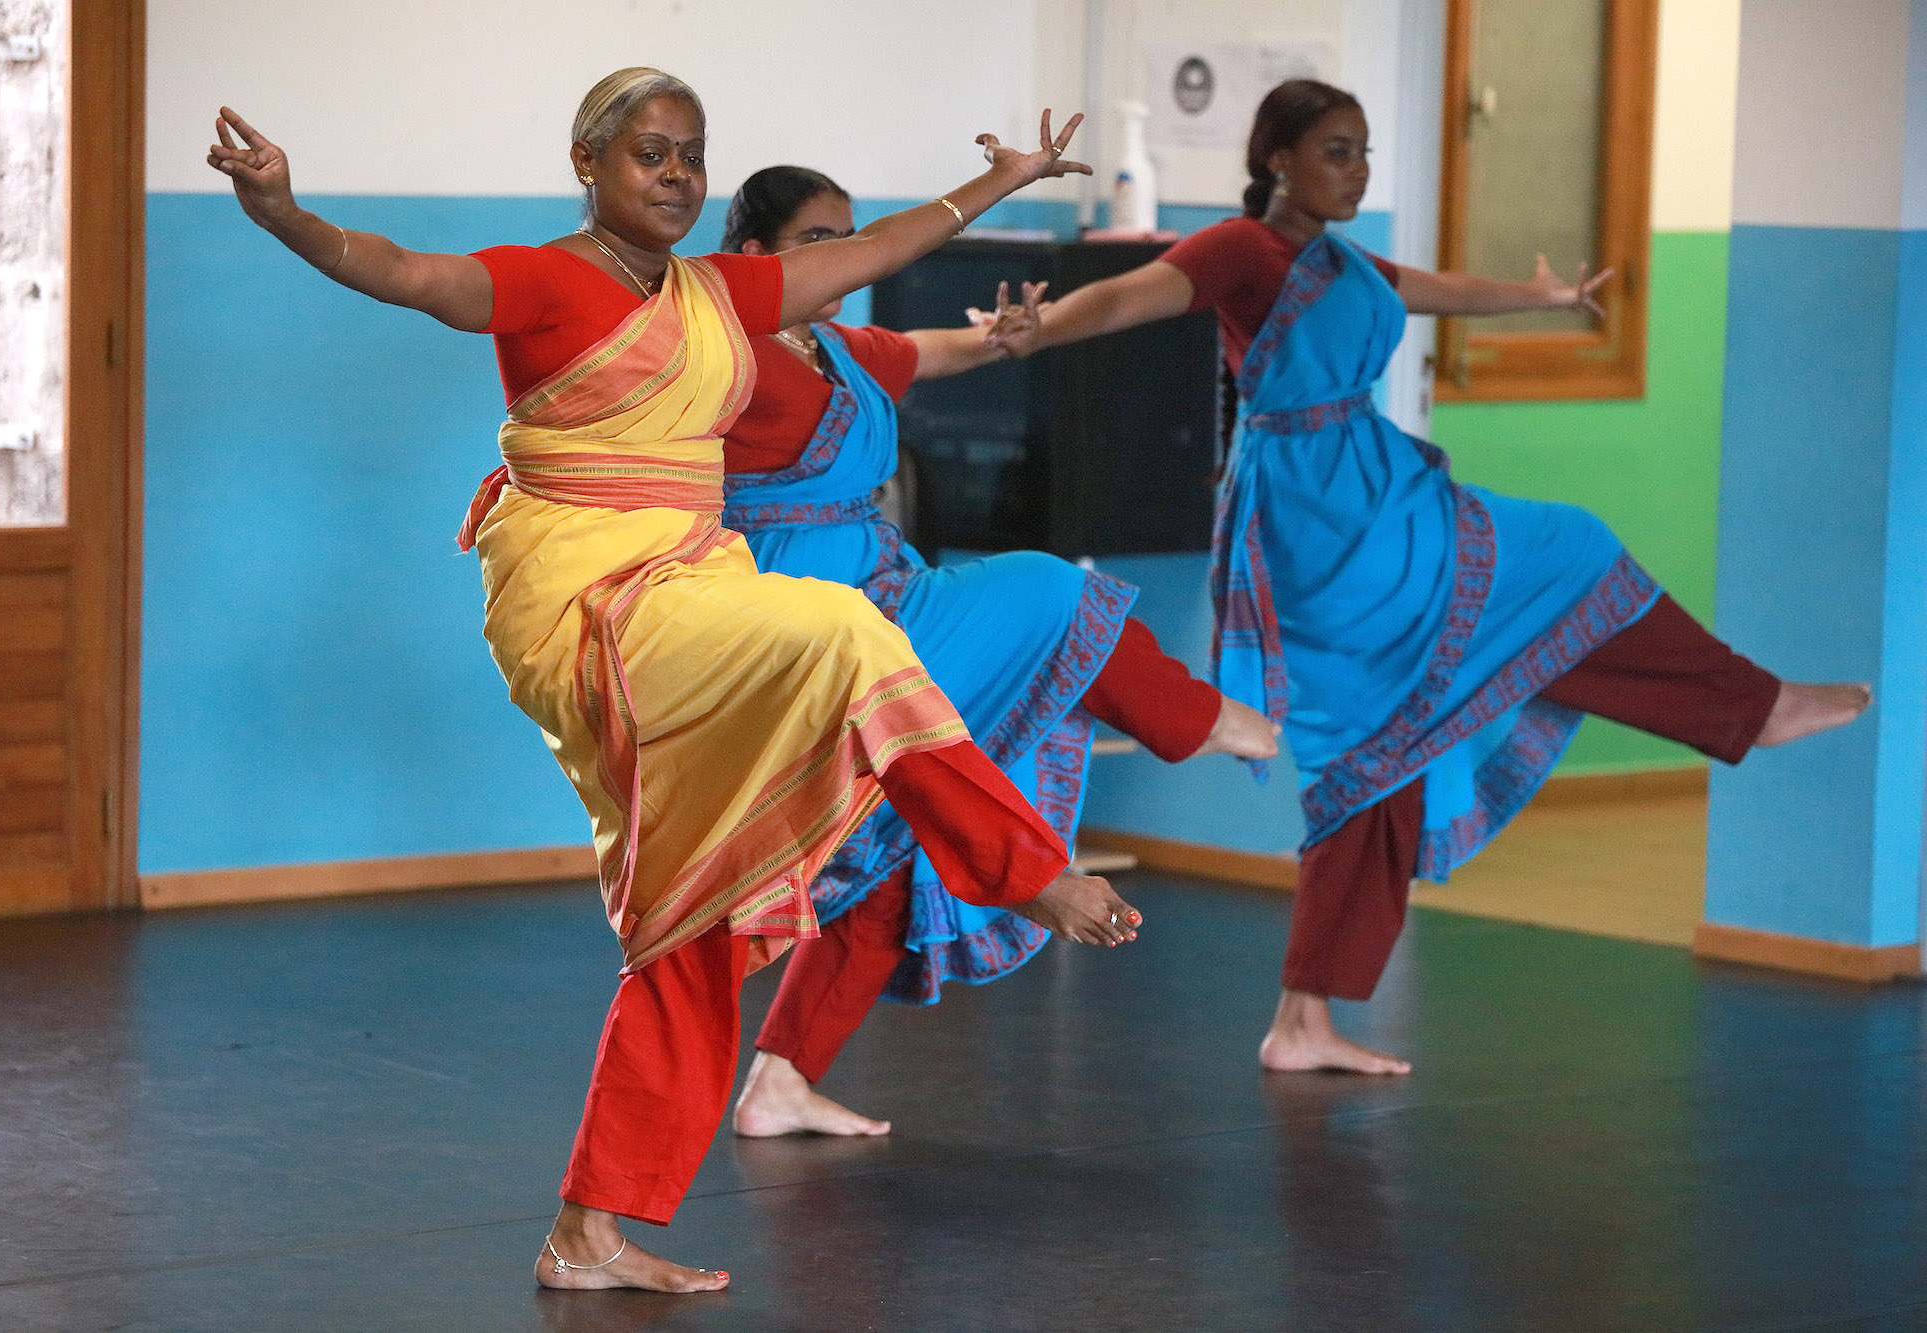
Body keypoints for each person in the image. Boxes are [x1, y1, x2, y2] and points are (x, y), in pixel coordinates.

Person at [206, 68, 1142, 1295]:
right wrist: (282, 209)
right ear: (587, 162)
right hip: (586, 598)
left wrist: (998, 182)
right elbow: (401, 271)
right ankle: (1024, 871)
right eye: (649, 154)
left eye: (691, 156)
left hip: (694, 583)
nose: (675, 176)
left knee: (695, 917)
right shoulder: (543, 280)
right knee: (847, 632)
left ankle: (585, 1232)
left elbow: (868, 254)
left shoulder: (715, 291)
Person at [986, 78, 1871, 1078]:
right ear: (1278, 159)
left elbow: (1428, 288)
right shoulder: (1243, 248)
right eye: (1336, 151)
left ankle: (1302, 1019)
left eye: (1364, 151)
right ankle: (1748, 708)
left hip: (1372, 490)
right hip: (1322, 518)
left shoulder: (1339, 257)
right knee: (1567, 553)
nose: (1358, 170)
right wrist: (1042, 327)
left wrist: (1540, 299)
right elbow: (1134, 294)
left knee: (1381, 753)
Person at [712, 166, 1282, 1139]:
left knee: (897, 852)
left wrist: (1012, 331)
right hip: (806, 624)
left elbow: (941, 349)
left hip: (890, 593)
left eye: (851, 237)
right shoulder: (722, 352)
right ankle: (1197, 720)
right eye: (816, 242)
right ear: (753, 257)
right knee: (1049, 592)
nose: (844, 258)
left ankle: (779, 1082)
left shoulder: (842, 349)